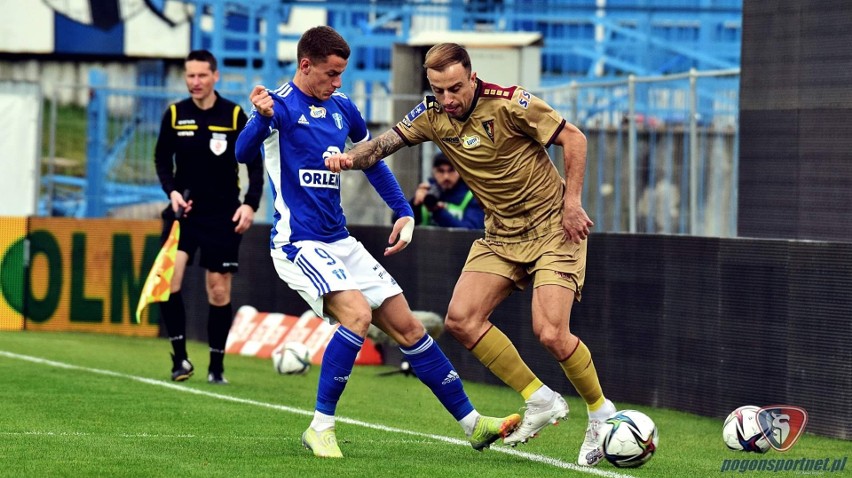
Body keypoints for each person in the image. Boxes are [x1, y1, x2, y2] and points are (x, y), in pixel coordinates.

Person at [325, 42, 617, 467]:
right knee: (461, 320)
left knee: (551, 332)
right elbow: (384, 143)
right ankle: (541, 398)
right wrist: (349, 159)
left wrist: (573, 202)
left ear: (472, 77)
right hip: (500, 235)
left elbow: (574, 137)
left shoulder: (511, 103)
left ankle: (600, 413)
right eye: (439, 90)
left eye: (455, 88)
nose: (448, 99)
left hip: (555, 228)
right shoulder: (432, 114)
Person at [234, 26, 520, 459]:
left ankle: (472, 423)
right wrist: (258, 117)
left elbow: (372, 161)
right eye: (331, 74)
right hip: (298, 243)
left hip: (339, 241)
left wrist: (403, 210)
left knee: (410, 328)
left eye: (342, 73)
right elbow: (241, 152)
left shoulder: (343, 108)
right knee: (356, 315)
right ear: (305, 65)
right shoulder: (278, 105)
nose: (338, 82)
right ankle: (321, 427)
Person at [154, 49, 264, 385]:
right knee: (169, 282)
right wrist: (171, 191)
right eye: (190, 75)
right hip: (184, 213)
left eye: (202, 75)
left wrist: (250, 204)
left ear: (215, 76)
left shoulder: (233, 115)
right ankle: (180, 360)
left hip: (222, 216)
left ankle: (216, 366)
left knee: (218, 291)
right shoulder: (175, 114)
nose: (195, 82)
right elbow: (161, 160)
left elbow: (255, 165)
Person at [406, 152, 484, 229]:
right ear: (434, 172)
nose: (446, 176)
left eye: (451, 170)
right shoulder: (427, 192)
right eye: (441, 171)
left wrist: (438, 211)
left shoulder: (471, 197)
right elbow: (398, 225)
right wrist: (414, 205)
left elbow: (471, 231)